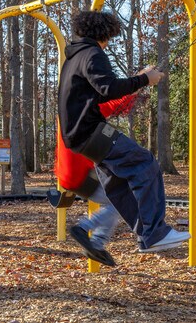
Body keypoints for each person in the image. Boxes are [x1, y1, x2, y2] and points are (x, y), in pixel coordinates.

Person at [58, 10, 190, 255]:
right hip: (91, 131)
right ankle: (155, 233)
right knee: (145, 162)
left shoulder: (74, 58)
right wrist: (143, 80)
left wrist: (141, 77)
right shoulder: (92, 53)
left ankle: (146, 236)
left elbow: (98, 91)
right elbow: (108, 88)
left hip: (78, 136)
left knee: (118, 186)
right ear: (105, 33)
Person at [56, 94, 138, 267]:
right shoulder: (82, 111)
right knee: (121, 200)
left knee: (116, 200)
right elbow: (115, 105)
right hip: (78, 173)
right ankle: (85, 229)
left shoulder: (67, 113)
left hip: (67, 173)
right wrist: (138, 84)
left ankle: (97, 243)